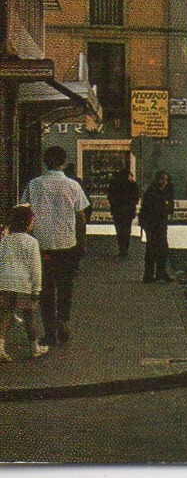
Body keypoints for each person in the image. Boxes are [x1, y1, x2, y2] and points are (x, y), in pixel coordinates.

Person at [19, 146, 89, 347]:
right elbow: (81, 216)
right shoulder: (73, 185)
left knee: (46, 289)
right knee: (66, 286)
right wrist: (82, 242)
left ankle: (49, 332)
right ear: (63, 162)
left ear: (45, 161)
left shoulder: (34, 185)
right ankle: (63, 320)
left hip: (41, 245)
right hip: (67, 244)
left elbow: (24, 212)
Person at [0, 206, 48, 361]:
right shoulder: (32, 242)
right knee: (30, 317)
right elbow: (36, 268)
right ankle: (35, 347)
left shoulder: (5, 240)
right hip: (24, 285)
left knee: (5, 315)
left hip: (5, 283)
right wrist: (37, 289)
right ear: (27, 223)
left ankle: (0, 346)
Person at [139, 171, 176, 283]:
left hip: (160, 223)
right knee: (152, 248)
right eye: (162, 179)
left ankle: (160, 273)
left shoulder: (165, 192)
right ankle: (149, 274)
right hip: (152, 223)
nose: (164, 182)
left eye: (166, 180)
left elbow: (170, 209)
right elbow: (149, 209)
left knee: (162, 249)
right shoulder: (152, 191)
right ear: (157, 179)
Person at [106, 166, 141, 258]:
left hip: (117, 211)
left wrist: (115, 205)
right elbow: (136, 198)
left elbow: (110, 196)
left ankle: (122, 248)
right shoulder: (132, 185)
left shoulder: (114, 183)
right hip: (128, 211)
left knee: (119, 230)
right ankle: (125, 248)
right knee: (127, 230)